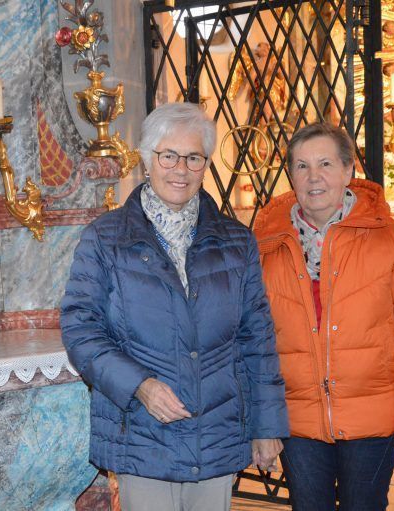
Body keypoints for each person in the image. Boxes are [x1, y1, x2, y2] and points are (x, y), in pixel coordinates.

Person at [61, 102, 289, 511]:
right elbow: (81, 329)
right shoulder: (106, 238)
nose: (180, 169)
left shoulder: (236, 241)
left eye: (193, 158)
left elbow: (257, 339)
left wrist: (266, 426)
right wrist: (140, 386)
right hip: (142, 432)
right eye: (168, 155)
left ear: (205, 165)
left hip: (216, 432)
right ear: (147, 160)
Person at [253, 123, 394, 511]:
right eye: (302, 166)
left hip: (373, 421)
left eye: (325, 163)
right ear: (291, 175)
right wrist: (261, 424)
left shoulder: (388, 239)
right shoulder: (266, 247)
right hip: (298, 422)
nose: (314, 177)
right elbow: (252, 343)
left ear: (348, 171)